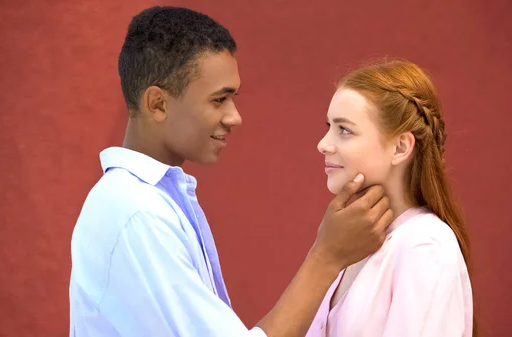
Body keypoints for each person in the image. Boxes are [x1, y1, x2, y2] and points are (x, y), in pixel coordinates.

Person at [68, 6, 394, 337]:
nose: (234, 116)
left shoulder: (154, 200)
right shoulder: (136, 213)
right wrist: (327, 256)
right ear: (158, 104)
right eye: (219, 100)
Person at [306, 59, 476, 337]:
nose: (323, 144)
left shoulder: (425, 247)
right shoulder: (355, 243)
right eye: (328, 126)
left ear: (400, 147)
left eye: (344, 129)